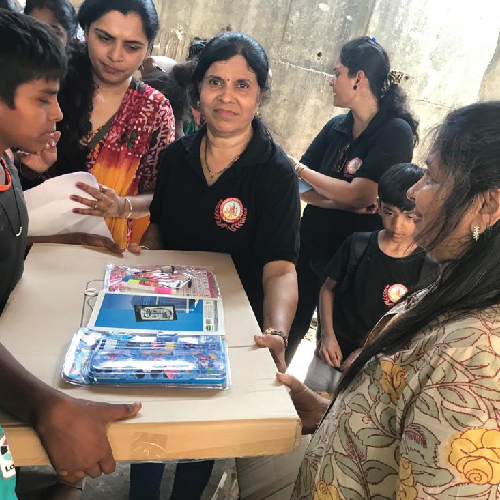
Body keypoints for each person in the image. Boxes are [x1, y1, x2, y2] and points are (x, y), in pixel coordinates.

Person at [277, 100, 500, 500]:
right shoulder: (451, 288)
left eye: (432, 178)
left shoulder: (477, 361)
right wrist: (328, 410)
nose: (415, 194)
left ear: (486, 205)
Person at [129, 31, 300, 500]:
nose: (227, 97)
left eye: (242, 85)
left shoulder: (276, 175)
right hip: (165, 319)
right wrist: (140, 270)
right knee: (150, 422)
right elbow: (159, 229)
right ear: (198, 90)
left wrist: (276, 331)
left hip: (228, 333)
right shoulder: (175, 157)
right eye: (215, 82)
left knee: (202, 437)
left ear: (260, 95)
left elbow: (280, 269)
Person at [0, 11, 141, 500]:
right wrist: (50, 409)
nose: (58, 113)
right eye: (43, 99)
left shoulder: (6, 161)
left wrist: (70, 240)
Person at [286, 36, 419, 363]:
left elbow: (363, 193)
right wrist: (343, 200)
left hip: (355, 261)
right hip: (311, 245)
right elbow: (299, 188)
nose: (331, 81)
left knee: (334, 349)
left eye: (337, 73)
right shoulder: (336, 126)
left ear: (358, 79)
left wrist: (300, 168)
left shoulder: (394, 131)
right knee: (287, 329)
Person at [20, 0, 176, 248]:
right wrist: (29, 170)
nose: (115, 56)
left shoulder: (155, 111)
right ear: (85, 30)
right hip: (38, 244)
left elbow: (160, 194)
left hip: (108, 249)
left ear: (149, 47)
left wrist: (121, 205)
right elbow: (17, 171)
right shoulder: (52, 88)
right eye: (104, 38)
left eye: (132, 46)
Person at [309, 164, 437, 392]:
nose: (397, 225)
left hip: (374, 367)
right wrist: (327, 337)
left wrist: (368, 352)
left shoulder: (428, 266)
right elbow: (327, 289)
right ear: (378, 206)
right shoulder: (358, 245)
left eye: (408, 216)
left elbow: (411, 324)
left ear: (421, 214)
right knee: (307, 402)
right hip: (330, 354)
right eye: (389, 213)